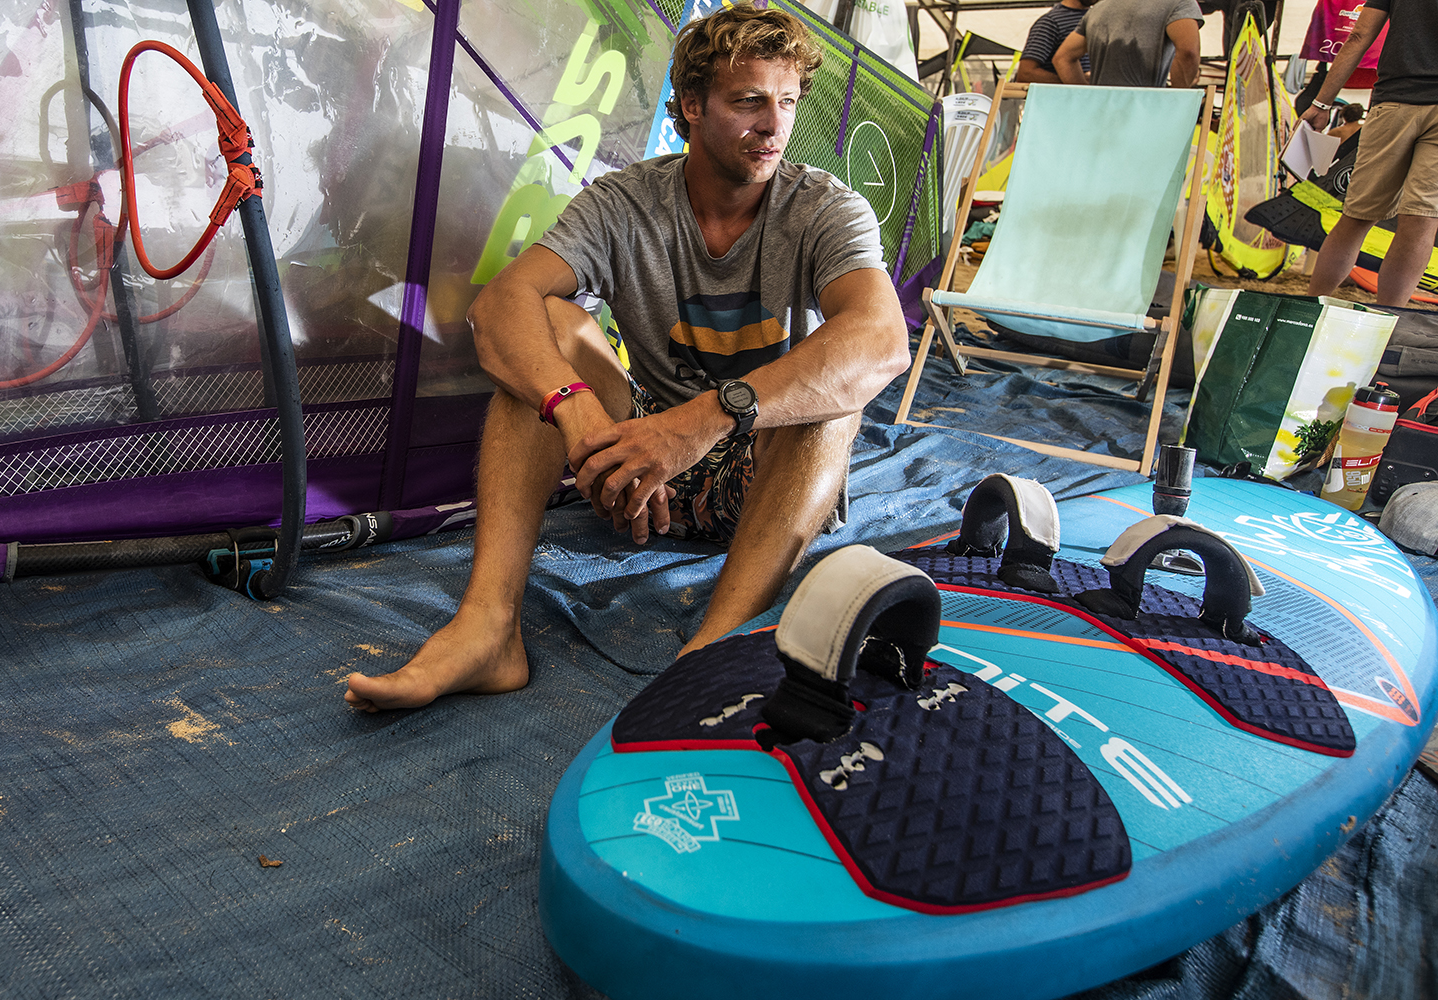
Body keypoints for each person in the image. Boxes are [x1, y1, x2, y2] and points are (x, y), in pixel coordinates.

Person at [344, 4, 909, 712]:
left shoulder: (824, 208)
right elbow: (499, 308)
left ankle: (712, 651)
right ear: (690, 109)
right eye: (749, 102)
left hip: (765, 473)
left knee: (830, 396)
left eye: (787, 102)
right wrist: (575, 414)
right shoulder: (626, 202)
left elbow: (884, 339)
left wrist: (706, 419)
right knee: (543, 324)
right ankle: (488, 629)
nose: (774, 125)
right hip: (640, 471)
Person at [1303, 0, 1437, 307]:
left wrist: (1322, 104)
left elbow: (1359, 35)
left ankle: (1309, 311)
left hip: (1395, 102)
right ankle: (1385, 322)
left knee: (1356, 217)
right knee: (1421, 223)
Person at [1053, 0, 1203, 89]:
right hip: (1146, 112)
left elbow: (1062, 58)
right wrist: (1176, 100)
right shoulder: (1179, 2)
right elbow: (1188, 52)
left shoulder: (1099, 7)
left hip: (1100, 113)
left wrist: (1088, 96)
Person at [1015, 0, 1096, 85]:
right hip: (1066, 96)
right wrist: (1075, 80)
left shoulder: (1097, 18)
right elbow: (1026, 73)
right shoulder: (1050, 22)